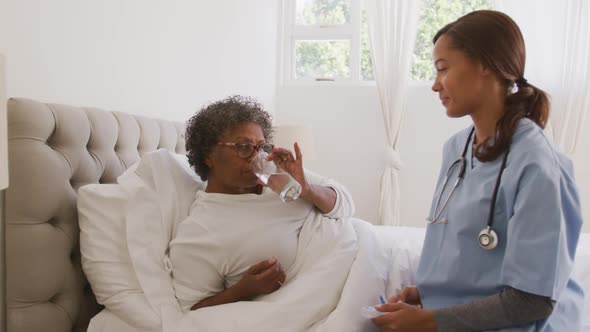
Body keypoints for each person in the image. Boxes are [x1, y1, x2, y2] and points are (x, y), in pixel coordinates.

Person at [372, 10, 584, 332]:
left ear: (486, 64)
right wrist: (427, 294)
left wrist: (431, 321)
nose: (434, 85)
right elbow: (470, 257)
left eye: (443, 69)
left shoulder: (538, 165)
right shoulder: (456, 149)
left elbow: (532, 300)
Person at [169, 95, 355, 312]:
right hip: (330, 299)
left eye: (261, 147)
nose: (256, 158)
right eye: (244, 147)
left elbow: (346, 205)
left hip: (359, 261)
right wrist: (243, 290)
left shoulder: (279, 177)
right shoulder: (200, 231)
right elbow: (191, 311)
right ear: (209, 154)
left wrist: (307, 189)